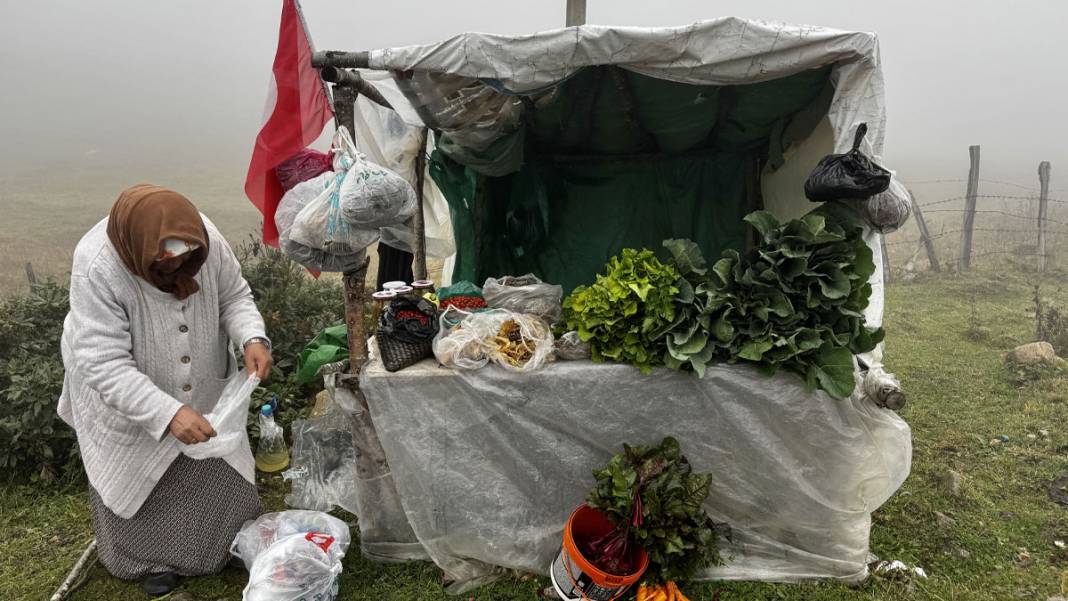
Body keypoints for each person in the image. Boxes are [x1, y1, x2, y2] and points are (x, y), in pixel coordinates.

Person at [57, 184, 274, 596]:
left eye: (186, 260)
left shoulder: (202, 239)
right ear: (138, 250)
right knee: (143, 477)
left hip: (203, 381)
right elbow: (103, 361)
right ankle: (149, 561)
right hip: (123, 392)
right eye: (164, 263)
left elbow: (233, 296)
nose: (178, 268)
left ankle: (226, 543)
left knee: (214, 465)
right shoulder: (97, 266)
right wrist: (167, 413)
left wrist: (252, 339)